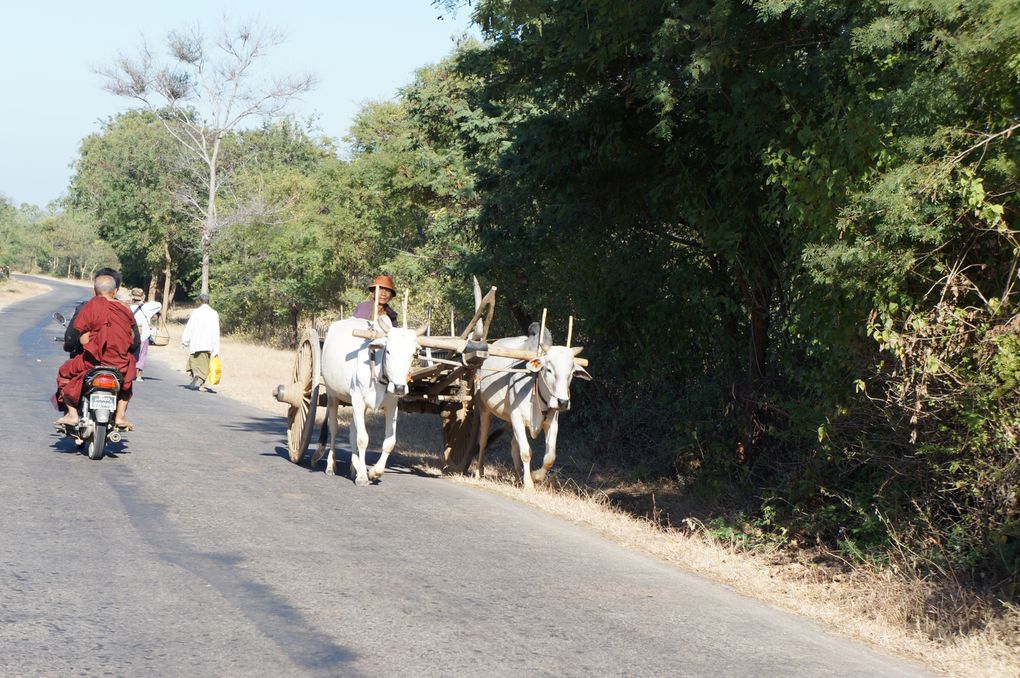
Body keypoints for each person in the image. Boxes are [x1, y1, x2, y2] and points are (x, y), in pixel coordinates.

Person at [54, 274, 139, 429]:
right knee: (127, 381)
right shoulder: (125, 308)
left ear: (94, 291)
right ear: (115, 292)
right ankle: (120, 417)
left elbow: (84, 340)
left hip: (93, 362)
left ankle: (72, 415)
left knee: (64, 372)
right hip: (120, 364)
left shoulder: (91, 305)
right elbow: (132, 339)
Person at [181, 293, 220, 391]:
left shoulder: (196, 312)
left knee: (194, 361)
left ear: (199, 301)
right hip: (208, 343)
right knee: (205, 364)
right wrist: (216, 348)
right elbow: (216, 330)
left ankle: (195, 375)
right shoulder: (214, 313)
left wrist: (185, 341)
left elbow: (189, 327)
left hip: (196, 343)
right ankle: (201, 384)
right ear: (208, 301)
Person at [129, 288, 162, 382]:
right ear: (142, 297)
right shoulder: (147, 307)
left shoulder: (128, 306)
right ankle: (138, 375)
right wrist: (146, 301)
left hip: (130, 334)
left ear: (132, 297)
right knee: (142, 354)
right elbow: (158, 305)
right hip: (143, 334)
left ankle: (128, 373)